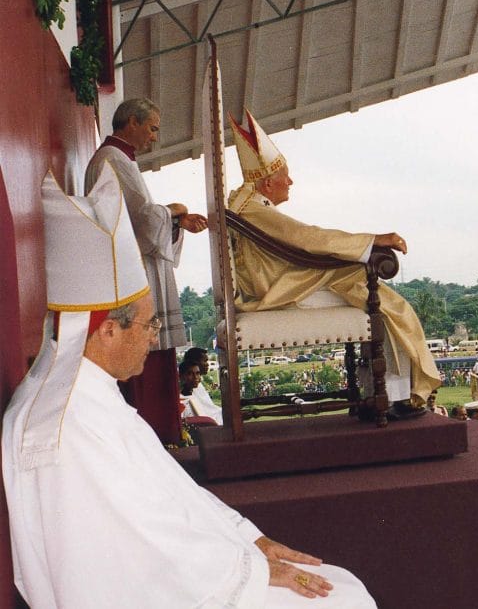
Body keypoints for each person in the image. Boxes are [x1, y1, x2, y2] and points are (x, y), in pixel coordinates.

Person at [3, 169, 374, 607]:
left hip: (183, 570)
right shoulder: (69, 425)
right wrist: (252, 571)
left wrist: (253, 542)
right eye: (148, 324)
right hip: (158, 589)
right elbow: (139, 547)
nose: (154, 336)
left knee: (338, 586)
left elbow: (168, 494)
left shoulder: (89, 393)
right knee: (340, 600)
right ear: (106, 331)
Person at [227, 109, 439, 415]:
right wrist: (373, 241)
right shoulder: (254, 208)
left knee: (368, 290)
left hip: (280, 281)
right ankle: (394, 398)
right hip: (280, 289)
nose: (291, 181)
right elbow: (306, 238)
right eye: (284, 175)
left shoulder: (246, 202)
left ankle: (378, 391)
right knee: (386, 305)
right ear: (267, 184)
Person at [84, 97, 208, 445]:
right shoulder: (113, 159)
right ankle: (159, 436)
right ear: (132, 123)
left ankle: (164, 432)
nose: (155, 136)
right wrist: (177, 209)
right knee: (145, 355)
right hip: (133, 270)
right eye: (152, 128)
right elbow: (143, 219)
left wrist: (175, 219)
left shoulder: (115, 158)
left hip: (129, 265)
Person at [180, 348, 224, 425]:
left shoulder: (196, 384)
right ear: (195, 362)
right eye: (205, 361)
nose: (208, 364)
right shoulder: (192, 386)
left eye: (197, 373)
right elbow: (207, 416)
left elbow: (211, 410)